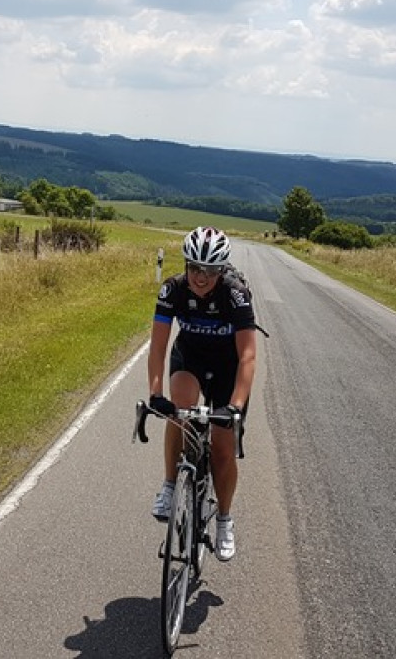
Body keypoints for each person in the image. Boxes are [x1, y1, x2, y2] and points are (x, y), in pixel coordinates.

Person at [147, 226, 257, 562]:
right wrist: (155, 394)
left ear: (222, 269)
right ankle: (169, 484)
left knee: (223, 450)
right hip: (190, 359)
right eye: (194, 267)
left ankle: (224, 519)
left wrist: (235, 406)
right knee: (178, 410)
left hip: (227, 367)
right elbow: (158, 346)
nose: (200, 276)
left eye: (209, 270)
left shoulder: (235, 294)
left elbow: (248, 356)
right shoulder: (173, 290)